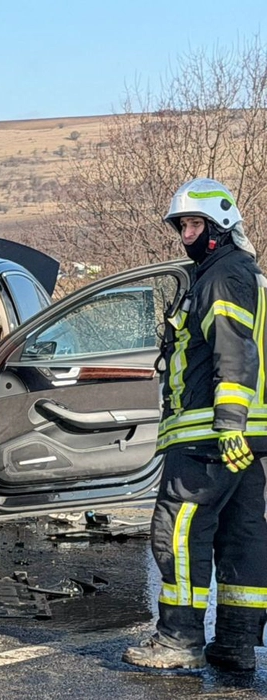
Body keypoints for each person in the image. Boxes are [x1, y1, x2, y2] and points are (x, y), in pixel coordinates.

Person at [122, 178, 267, 671]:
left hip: (211, 435)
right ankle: (235, 645)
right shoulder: (247, 275)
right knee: (243, 536)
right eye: (182, 225)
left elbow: (234, 349)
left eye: (194, 224)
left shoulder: (221, 278)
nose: (186, 234)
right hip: (246, 437)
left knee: (179, 532)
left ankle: (179, 640)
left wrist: (228, 423)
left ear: (220, 226)